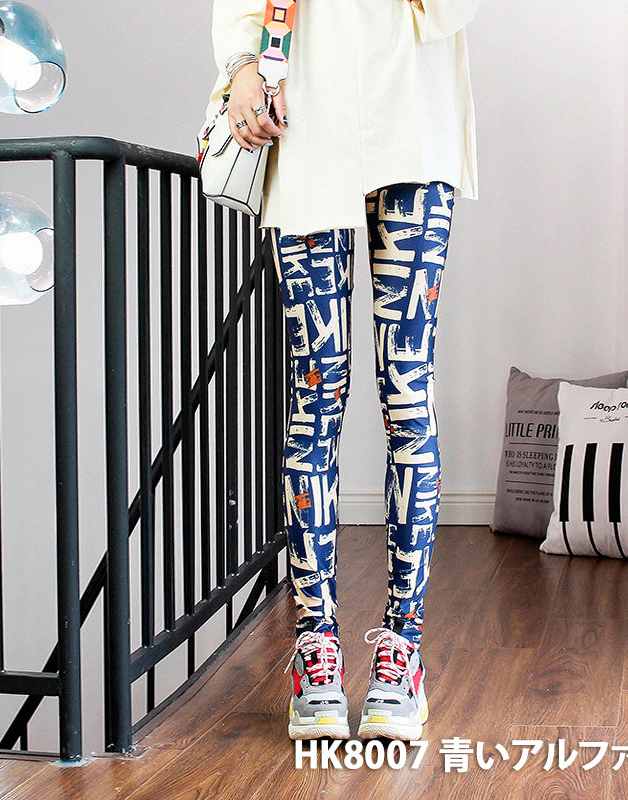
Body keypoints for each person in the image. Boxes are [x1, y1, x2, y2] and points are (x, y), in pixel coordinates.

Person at [207, 0, 480, 741]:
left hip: (414, 122)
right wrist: (240, 68)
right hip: (304, 126)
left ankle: (402, 648)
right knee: (315, 392)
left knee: (408, 391)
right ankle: (316, 646)